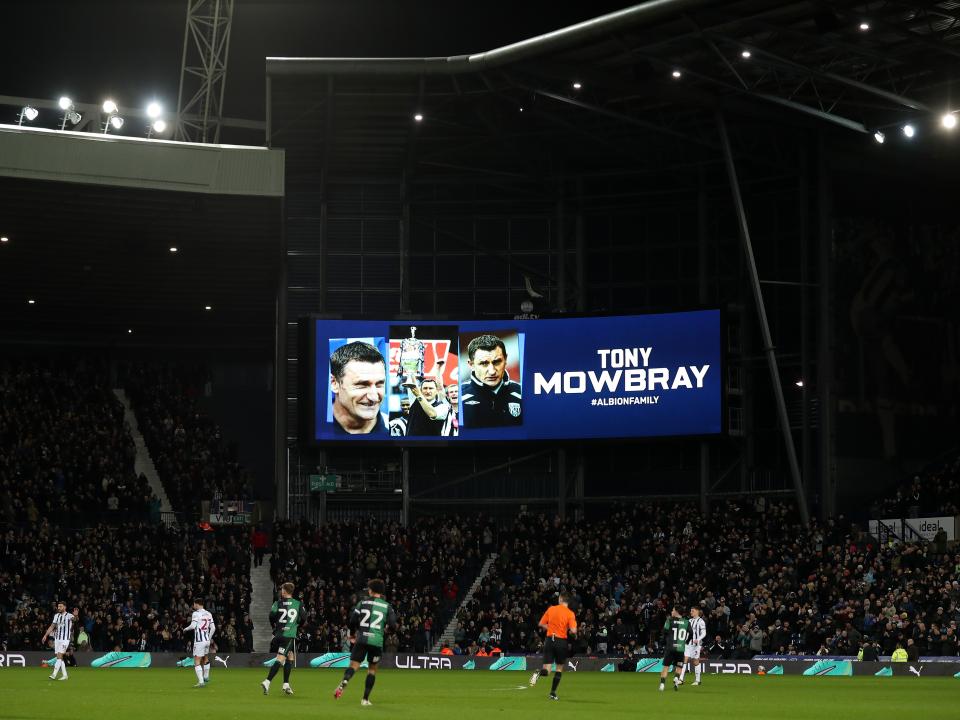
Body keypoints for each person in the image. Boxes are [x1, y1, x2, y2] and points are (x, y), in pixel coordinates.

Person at [334, 579, 397, 706]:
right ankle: (365, 699)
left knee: (353, 666)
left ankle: (345, 680)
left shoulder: (362, 603)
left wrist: (352, 634)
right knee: (372, 670)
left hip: (361, 639)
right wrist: (386, 631)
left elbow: (352, 621)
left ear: (371, 590)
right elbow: (393, 625)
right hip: (376, 641)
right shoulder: (387, 606)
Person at [460, 334, 522, 428]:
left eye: (497, 362)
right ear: (471, 365)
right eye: (484, 363)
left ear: (505, 360)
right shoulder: (458, 397)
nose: (492, 371)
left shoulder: (522, 394)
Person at [329, 342, 388, 434]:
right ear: (334, 383)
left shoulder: (397, 431)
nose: (374, 397)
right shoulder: (315, 427)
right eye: (362, 385)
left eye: (379, 384)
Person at [529, 592, 577, 701]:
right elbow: (573, 630)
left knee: (547, 671)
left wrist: (550, 628)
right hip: (561, 642)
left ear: (560, 599)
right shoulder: (570, 613)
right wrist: (570, 630)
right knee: (559, 669)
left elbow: (541, 624)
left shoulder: (551, 609)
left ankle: (538, 673)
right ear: (567, 601)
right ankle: (552, 693)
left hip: (550, 640)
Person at [261, 582, 301, 696]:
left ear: (284, 591)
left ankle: (286, 684)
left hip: (279, 634)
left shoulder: (277, 603)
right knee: (280, 659)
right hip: (288, 636)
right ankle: (267, 681)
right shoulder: (298, 604)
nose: (281, 592)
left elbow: (271, 616)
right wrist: (295, 624)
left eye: (282, 590)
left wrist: (276, 627)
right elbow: (303, 618)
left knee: (290, 656)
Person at [183, 598, 215, 687]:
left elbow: (193, 626)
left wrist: (185, 629)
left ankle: (201, 682)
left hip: (199, 641)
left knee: (196, 661)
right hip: (206, 641)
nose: (193, 606)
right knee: (205, 658)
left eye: (194, 604)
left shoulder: (196, 613)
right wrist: (208, 638)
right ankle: (206, 676)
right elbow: (213, 628)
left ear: (197, 604)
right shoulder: (209, 614)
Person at [41, 601, 78, 681]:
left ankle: (54, 674)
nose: (59, 608)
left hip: (65, 639)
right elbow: (52, 626)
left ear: (65, 607)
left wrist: (76, 615)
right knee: (59, 658)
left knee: (60, 656)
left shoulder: (69, 615)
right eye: (58, 606)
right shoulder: (56, 616)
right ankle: (65, 675)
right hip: (57, 639)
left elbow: (75, 619)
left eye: (60, 606)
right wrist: (45, 635)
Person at [659, 605, 690, 692]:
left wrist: (664, 641)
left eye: (673, 610)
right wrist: (686, 641)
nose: (671, 612)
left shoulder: (669, 620)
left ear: (676, 611)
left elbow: (664, 632)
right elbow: (691, 633)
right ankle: (676, 680)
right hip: (680, 649)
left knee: (666, 667)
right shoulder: (687, 622)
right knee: (679, 667)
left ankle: (662, 684)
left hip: (670, 648)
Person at [679, 605, 706, 686]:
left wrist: (698, 639)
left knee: (695, 661)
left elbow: (704, 633)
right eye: (691, 611)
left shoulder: (701, 621)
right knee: (685, 659)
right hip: (688, 643)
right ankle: (681, 679)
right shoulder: (689, 621)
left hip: (696, 645)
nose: (691, 612)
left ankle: (698, 680)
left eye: (693, 611)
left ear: (697, 611)